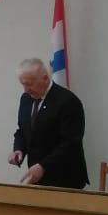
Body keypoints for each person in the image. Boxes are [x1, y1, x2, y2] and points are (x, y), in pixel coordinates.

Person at [8, 57, 89, 189]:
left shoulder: (68, 101)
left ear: (45, 78)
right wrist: (18, 149)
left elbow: (70, 143)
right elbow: (23, 130)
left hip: (65, 180)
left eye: (29, 84)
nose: (25, 90)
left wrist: (43, 166)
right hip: (37, 179)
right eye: (23, 84)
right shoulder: (26, 99)